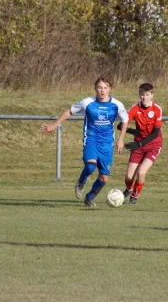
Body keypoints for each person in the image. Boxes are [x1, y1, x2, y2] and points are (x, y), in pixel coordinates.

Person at [41, 77, 128, 207]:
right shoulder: (87, 102)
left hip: (107, 144)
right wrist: (54, 125)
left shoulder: (117, 105)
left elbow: (125, 119)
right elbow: (69, 111)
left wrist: (121, 139)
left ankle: (90, 197)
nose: (102, 90)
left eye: (105, 87)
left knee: (104, 178)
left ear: (109, 89)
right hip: (91, 139)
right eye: (100, 87)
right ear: (95, 88)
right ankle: (81, 183)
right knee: (90, 166)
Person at [119, 83, 163, 205]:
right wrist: (124, 128)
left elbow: (155, 133)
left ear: (152, 95)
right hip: (139, 143)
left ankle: (135, 195)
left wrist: (138, 144)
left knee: (141, 172)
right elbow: (125, 121)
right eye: (142, 95)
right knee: (128, 177)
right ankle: (130, 188)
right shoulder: (135, 108)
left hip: (153, 145)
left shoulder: (157, 109)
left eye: (147, 95)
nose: (144, 97)